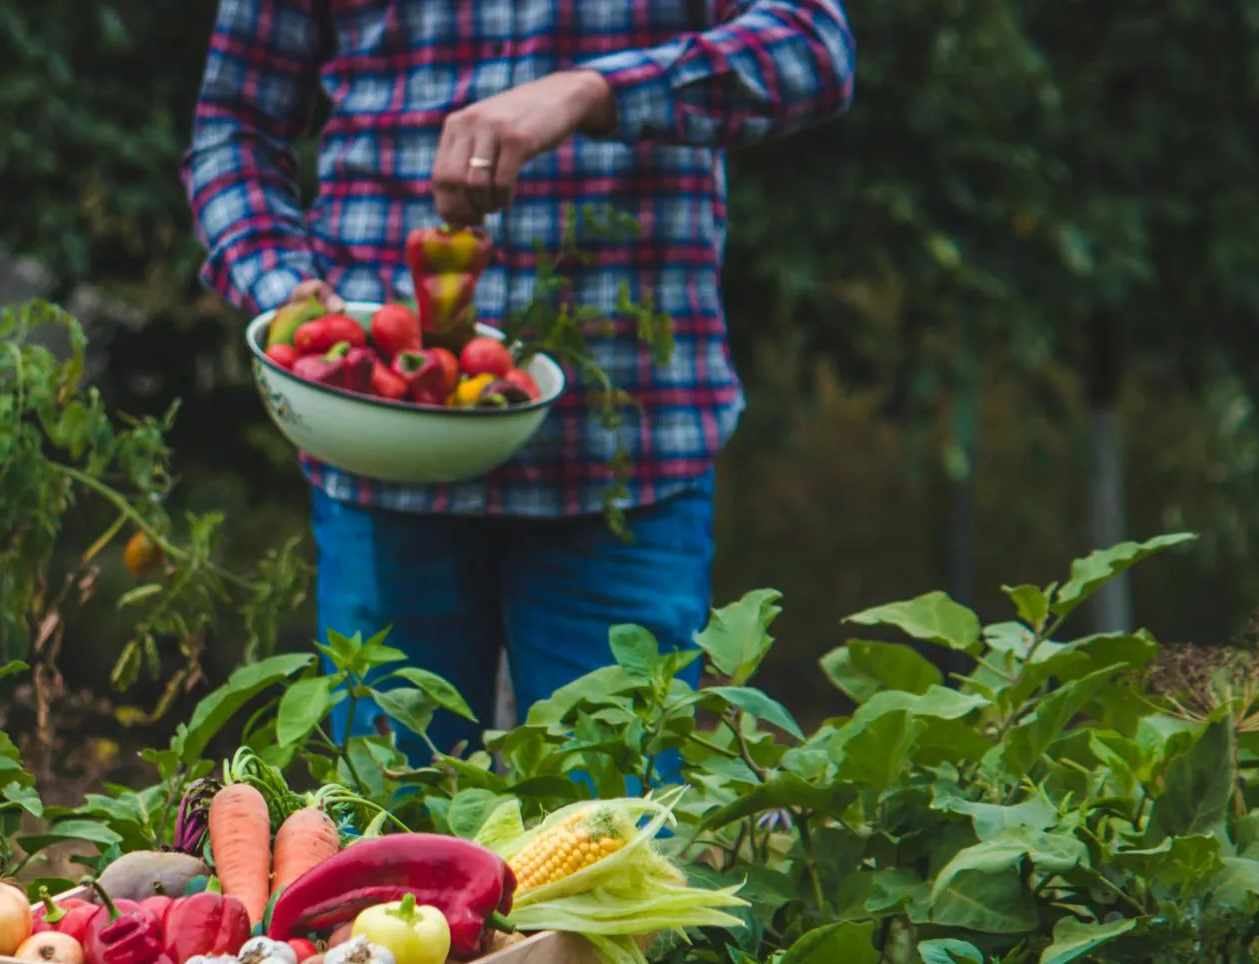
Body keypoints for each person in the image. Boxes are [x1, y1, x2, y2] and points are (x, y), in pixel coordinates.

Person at [181, 1, 855, 770]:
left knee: (613, 829)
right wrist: (288, 295)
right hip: (382, 446)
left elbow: (815, 44)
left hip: (622, 454)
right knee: (389, 824)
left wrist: (594, 91)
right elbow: (232, 128)